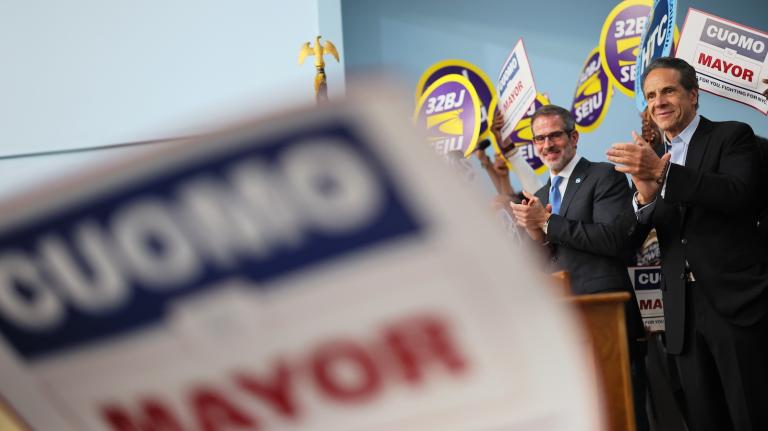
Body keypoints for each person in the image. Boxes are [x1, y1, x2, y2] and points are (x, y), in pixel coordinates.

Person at [607, 57, 768, 431]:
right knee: (703, 419)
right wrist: (645, 197)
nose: (658, 102)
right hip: (682, 312)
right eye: (651, 96)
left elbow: (738, 193)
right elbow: (638, 237)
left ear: (693, 95)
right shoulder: (652, 158)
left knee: (751, 414)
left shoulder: (732, 136)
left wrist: (661, 172)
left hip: (735, 305)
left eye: (668, 91)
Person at [510, 104, 648, 430]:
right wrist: (536, 235)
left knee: (624, 415)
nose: (547, 145)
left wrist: (548, 223)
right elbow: (541, 264)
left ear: (574, 137)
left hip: (606, 318)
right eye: (540, 139)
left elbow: (614, 239)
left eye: (555, 135)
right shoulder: (539, 195)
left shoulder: (604, 176)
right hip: (561, 325)